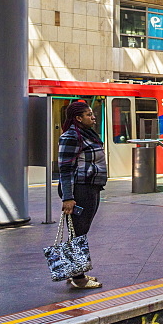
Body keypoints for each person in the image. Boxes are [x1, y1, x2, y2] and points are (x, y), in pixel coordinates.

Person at [57, 100, 107, 290]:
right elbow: (65, 169)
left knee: (80, 232)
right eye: (88, 115)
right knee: (78, 232)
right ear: (78, 118)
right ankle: (78, 278)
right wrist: (68, 197)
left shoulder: (86, 134)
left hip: (91, 187)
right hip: (80, 189)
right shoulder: (71, 136)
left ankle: (77, 272)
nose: (93, 117)